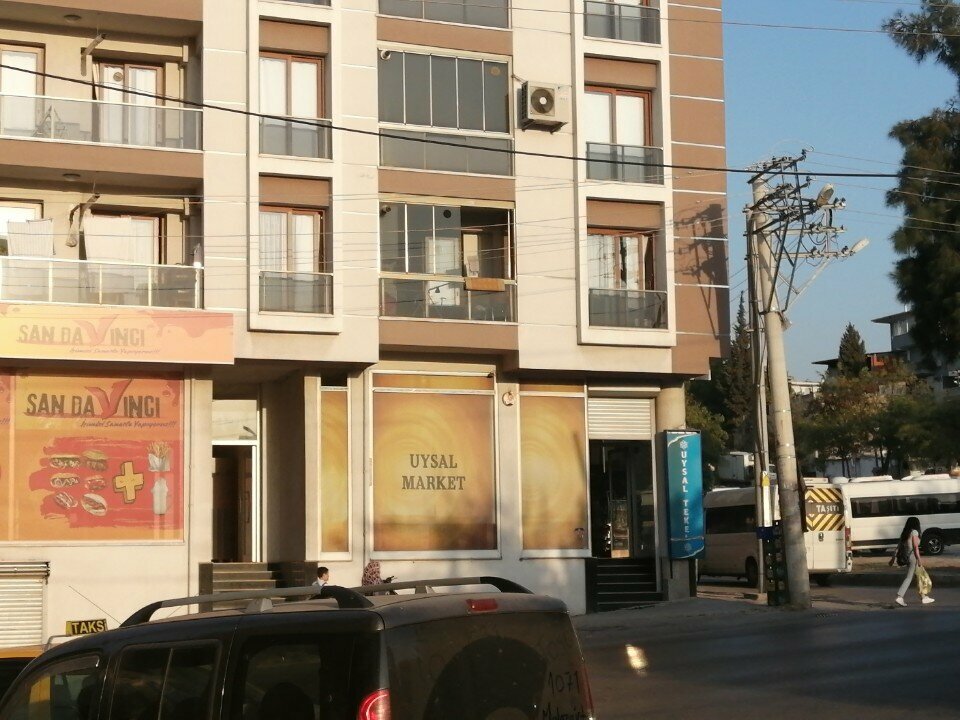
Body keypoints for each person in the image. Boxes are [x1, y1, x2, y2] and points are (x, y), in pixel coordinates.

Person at [889, 516, 935, 606]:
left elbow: (898, 547)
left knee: (918, 577)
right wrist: (919, 559)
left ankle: (924, 597)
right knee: (910, 577)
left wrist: (893, 558)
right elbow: (915, 547)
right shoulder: (914, 532)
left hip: (907, 556)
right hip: (913, 557)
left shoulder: (905, 533)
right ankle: (900, 597)